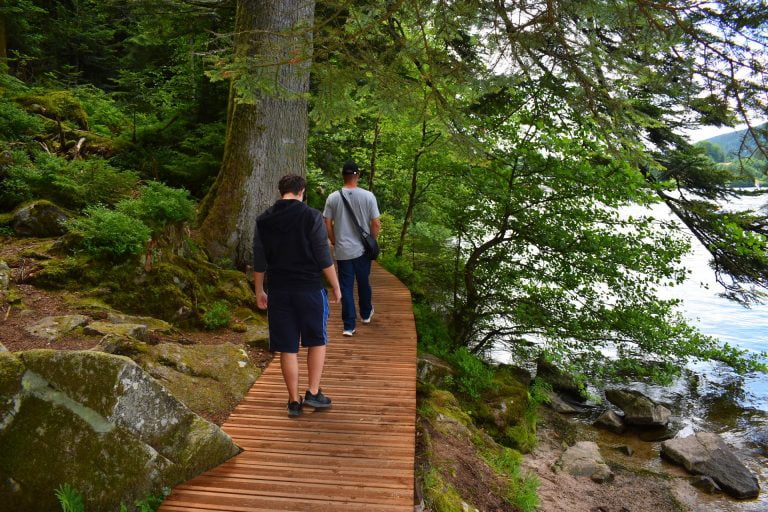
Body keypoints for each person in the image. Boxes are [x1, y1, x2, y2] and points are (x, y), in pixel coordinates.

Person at [253, 174, 342, 417]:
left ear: (280, 191)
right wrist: (336, 285)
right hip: (310, 289)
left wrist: (259, 290)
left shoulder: (264, 220)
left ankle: (293, 401)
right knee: (316, 340)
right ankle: (313, 392)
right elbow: (323, 255)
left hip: (279, 291)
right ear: (302, 191)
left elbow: (259, 259)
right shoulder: (311, 216)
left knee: (287, 347)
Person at [323, 162, 381, 336]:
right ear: (358, 176)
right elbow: (376, 223)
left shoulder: (333, 197)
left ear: (343, 176)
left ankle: (349, 326)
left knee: (346, 287)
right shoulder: (368, 196)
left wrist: (333, 240)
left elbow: (327, 222)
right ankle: (365, 314)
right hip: (362, 250)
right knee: (363, 282)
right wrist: (371, 241)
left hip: (342, 250)